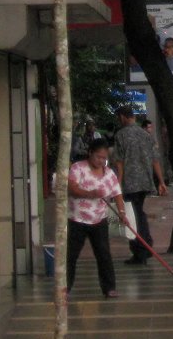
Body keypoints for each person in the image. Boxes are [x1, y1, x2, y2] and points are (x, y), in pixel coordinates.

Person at [67, 138, 128, 299]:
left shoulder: (109, 173)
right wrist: (90, 194)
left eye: (104, 158)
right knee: (71, 255)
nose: (101, 161)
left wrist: (122, 212)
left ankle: (109, 288)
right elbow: (72, 188)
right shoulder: (77, 168)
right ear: (90, 153)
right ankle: (65, 287)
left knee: (104, 254)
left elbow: (117, 193)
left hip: (99, 219)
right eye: (98, 157)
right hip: (77, 219)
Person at [111, 106, 167, 266]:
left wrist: (118, 186)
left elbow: (119, 163)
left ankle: (142, 248)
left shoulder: (120, 135)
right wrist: (161, 182)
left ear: (122, 117)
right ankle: (142, 248)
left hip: (129, 183)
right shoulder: (146, 135)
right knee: (137, 212)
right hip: (145, 182)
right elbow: (155, 160)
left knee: (133, 216)